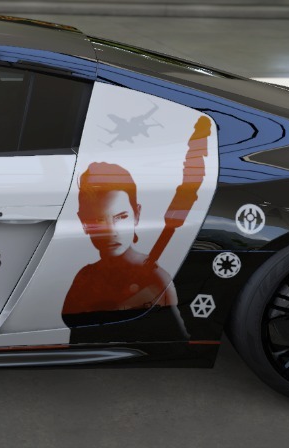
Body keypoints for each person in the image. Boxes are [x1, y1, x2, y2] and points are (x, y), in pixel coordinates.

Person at [61, 116, 212, 344]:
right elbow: (70, 320)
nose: (111, 231)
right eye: (99, 220)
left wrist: (138, 308)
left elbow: (175, 342)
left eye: (121, 217)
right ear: (83, 223)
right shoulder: (86, 275)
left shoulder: (156, 278)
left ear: (136, 215)